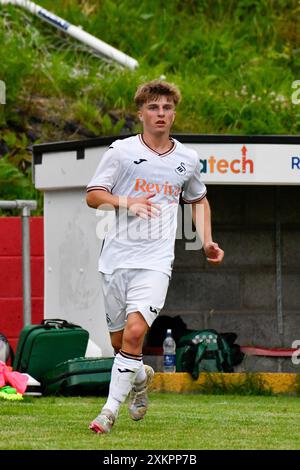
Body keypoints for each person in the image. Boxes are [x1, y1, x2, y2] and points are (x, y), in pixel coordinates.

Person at [86, 80, 224, 434]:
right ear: (141, 113)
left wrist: (207, 241)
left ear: (173, 113)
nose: (160, 113)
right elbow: (94, 195)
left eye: (166, 108)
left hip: (155, 262)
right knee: (120, 344)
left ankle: (107, 412)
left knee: (134, 334)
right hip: (115, 260)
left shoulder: (187, 159)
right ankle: (140, 375)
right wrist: (126, 201)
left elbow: (198, 200)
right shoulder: (120, 151)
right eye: (153, 107)